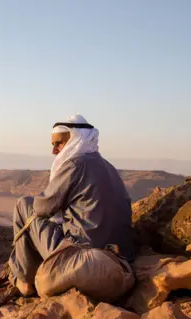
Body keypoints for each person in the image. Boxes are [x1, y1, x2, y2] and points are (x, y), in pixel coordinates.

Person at [8, 114, 135, 296]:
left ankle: (25, 278)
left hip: (83, 250)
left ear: (76, 138)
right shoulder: (108, 166)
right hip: (121, 253)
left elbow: (42, 208)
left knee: (24, 205)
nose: (54, 151)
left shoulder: (75, 165)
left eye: (58, 143)